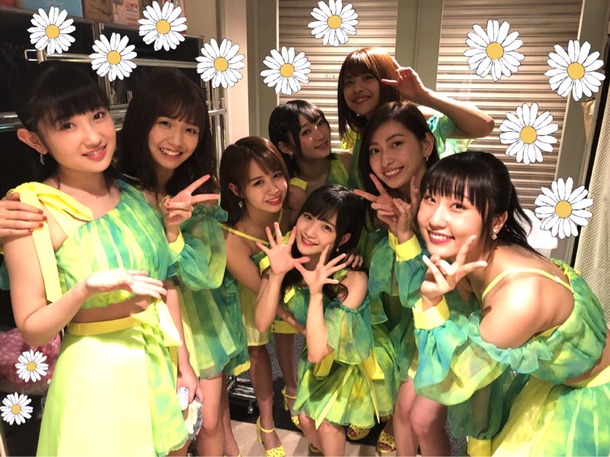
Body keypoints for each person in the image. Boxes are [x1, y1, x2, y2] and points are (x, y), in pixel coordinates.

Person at [2, 61, 191, 456]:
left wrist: (183, 365)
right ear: (34, 140)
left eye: (98, 115)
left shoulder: (134, 193)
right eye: (67, 125)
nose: (92, 136)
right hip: (97, 379)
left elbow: (164, 284)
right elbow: (33, 329)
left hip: (155, 360)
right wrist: (84, 290)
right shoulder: (32, 208)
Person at [413, 150, 610, 456]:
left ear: (497, 220)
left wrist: (431, 301)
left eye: (458, 206)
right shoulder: (480, 256)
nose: (435, 219)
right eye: (430, 199)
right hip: (557, 378)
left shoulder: (518, 297)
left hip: (589, 399)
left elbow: (456, 380)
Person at [116, 68, 247, 457]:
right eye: (165, 123)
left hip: (201, 323)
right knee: (170, 434)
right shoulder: (117, 191)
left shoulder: (199, 191)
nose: (177, 140)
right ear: (142, 121)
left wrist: (173, 233)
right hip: (145, 322)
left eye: (190, 129)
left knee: (207, 421)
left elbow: (206, 274)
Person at [355, 100, 469, 455]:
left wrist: (408, 233)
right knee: (405, 412)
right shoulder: (392, 201)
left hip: (452, 321)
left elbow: (425, 289)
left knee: (420, 418)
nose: (385, 159)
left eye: (396, 144)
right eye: (375, 150)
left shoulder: (449, 196)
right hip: (416, 321)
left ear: (426, 144)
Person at [254, 184, 396, 456]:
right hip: (319, 353)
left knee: (326, 424)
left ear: (344, 238)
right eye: (308, 217)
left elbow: (320, 351)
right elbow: (261, 323)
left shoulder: (353, 278)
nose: (310, 231)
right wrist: (275, 275)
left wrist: (317, 292)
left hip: (355, 358)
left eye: (326, 227)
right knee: (307, 420)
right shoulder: (284, 257)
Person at [218, 136, 293, 457]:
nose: (273, 189)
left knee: (285, 342)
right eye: (258, 182)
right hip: (247, 298)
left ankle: (291, 392)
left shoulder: (288, 210)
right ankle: (266, 426)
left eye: (276, 175)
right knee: (256, 353)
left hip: (285, 287)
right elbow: (261, 293)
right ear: (237, 190)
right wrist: (294, 317)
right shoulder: (232, 238)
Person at [337, 46, 494, 191]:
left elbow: (484, 125)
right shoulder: (356, 135)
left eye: (367, 78)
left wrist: (424, 96)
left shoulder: (419, 119)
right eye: (349, 82)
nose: (357, 88)